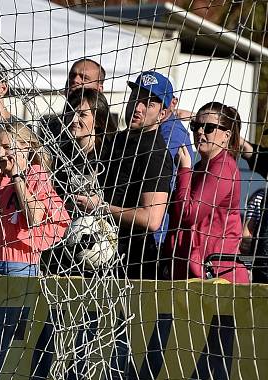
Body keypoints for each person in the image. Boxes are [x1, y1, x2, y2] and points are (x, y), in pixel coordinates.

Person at [74, 71, 173, 279]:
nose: (138, 108)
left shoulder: (155, 154)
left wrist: (100, 207)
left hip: (133, 265)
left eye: (149, 104)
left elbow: (152, 219)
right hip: (98, 253)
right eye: (135, 98)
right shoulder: (119, 139)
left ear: (162, 114)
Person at [0, 122, 69, 276]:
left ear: (26, 148)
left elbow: (34, 218)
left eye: (7, 147)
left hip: (21, 267)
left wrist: (17, 177)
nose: (0, 154)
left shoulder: (35, 175)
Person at [162, 102, 249, 283]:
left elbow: (188, 214)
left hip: (220, 278)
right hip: (196, 274)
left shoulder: (223, 167)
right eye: (196, 126)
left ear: (226, 136)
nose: (200, 132)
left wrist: (184, 170)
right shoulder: (202, 166)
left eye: (209, 128)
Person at [54, 88, 117, 198]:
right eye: (70, 113)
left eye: (82, 115)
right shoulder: (60, 155)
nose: (74, 120)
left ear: (97, 120)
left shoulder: (110, 155)